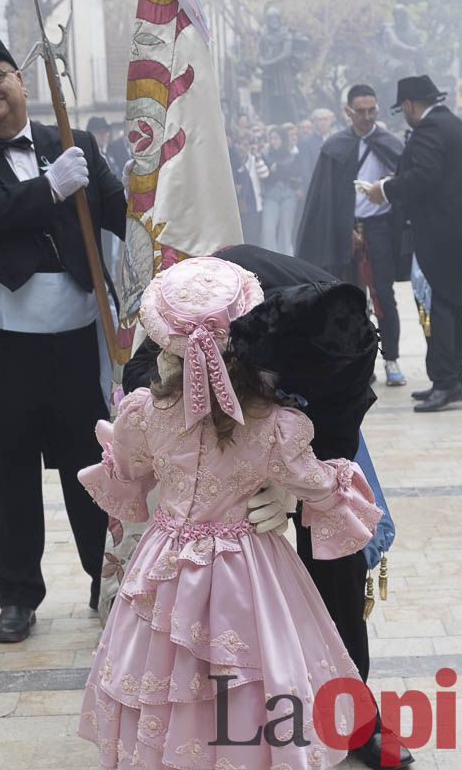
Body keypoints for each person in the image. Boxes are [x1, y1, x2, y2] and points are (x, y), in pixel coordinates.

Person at [77, 256, 383, 770]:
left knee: (165, 661)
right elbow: (323, 486)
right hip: (250, 564)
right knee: (262, 661)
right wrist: (311, 486)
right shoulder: (277, 426)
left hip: (167, 559)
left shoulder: (144, 412)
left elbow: (126, 468)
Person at [0, 27, 127, 642]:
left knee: (92, 467)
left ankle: (105, 581)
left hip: (75, 345)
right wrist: (49, 188)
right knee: (7, 473)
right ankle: (17, 594)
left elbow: (120, 211)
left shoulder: (72, 140)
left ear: (22, 80)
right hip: (2, 349)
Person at [364, 75, 462, 413]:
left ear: (409, 105)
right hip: (458, 230)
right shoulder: (453, 125)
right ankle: (452, 380)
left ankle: (445, 382)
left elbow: (425, 177)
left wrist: (384, 190)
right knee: (452, 306)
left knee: (438, 308)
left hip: (440, 235)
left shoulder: (430, 130)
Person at [296, 83, 407, 387]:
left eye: (372, 111)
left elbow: (406, 186)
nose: (367, 117)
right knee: (350, 301)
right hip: (344, 232)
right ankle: (359, 364)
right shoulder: (335, 147)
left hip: (380, 230)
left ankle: (392, 359)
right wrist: (341, 230)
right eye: (361, 111)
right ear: (348, 112)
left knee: (383, 295)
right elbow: (324, 199)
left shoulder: (390, 144)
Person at [259, 125, 300, 255]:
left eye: (276, 138)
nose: (273, 141)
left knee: (285, 230)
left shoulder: (292, 155)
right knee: (268, 230)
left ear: (283, 139)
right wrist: (278, 172)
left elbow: (295, 174)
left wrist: (277, 170)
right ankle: (269, 259)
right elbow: (265, 176)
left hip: (288, 194)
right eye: (271, 138)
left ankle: (287, 259)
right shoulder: (265, 154)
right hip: (271, 194)